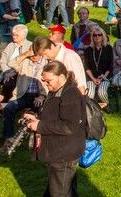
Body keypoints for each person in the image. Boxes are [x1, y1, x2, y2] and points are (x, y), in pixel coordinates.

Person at [23, 61, 86, 197]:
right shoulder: (56, 90)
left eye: (48, 81)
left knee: (60, 192)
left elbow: (69, 126)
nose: (45, 84)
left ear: (62, 77)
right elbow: (54, 116)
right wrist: (36, 119)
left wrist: (39, 126)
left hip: (64, 154)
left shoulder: (70, 94)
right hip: (58, 151)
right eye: (43, 80)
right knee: (63, 189)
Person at [2, 37, 47, 145]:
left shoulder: (46, 63)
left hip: (38, 95)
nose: (32, 58)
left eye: (34, 55)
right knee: (8, 108)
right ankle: (8, 137)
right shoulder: (25, 61)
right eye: (31, 55)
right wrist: (25, 54)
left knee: (38, 110)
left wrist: (42, 96)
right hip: (22, 94)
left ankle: (37, 140)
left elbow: (47, 84)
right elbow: (11, 64)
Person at [0, 24, 32, 102]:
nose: (13, 36)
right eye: (13, 34)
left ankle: (9, 105)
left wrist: (14, 72)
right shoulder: (10, 45)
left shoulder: (30, 46)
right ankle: (2, 107)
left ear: (24, 35)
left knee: (9, 85)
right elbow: (3, 60)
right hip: (8, 72)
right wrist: (6, 72)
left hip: (22, 73)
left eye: (16, 35)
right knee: (7, 84)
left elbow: (28, 65)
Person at [84, 27, 114, 104]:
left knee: (102, 93)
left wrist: (102, 77)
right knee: (89, 94)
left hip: (105, 76)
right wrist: (93, 79)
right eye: (94, 35)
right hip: (91, 77)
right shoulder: (88, 50)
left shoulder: (108, 48)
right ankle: (92, 109)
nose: (97, 37)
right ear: (92, 37)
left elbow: (110, 66)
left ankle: (106, 105)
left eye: (99, 35)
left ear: (103, 36)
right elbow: (86, 67)